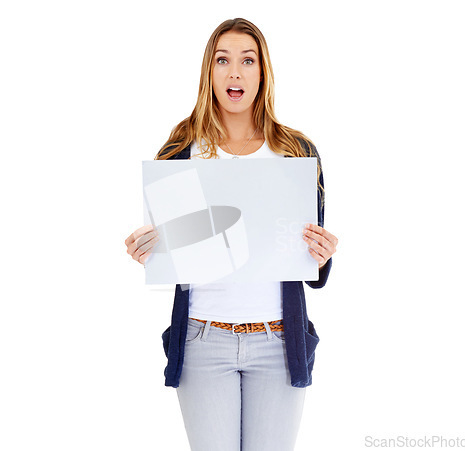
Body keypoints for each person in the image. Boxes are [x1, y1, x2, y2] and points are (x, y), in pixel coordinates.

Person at [124, 18, 338, 451]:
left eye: (247, 60)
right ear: (209, 72)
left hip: (279, 343)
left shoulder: (296, 151)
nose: (235, 72)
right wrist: (146, 248)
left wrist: (323, 252)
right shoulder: (181, 150)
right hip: (203, 341)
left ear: (263, 73)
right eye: (223, 60)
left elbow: (312, 266)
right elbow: (170, 246)